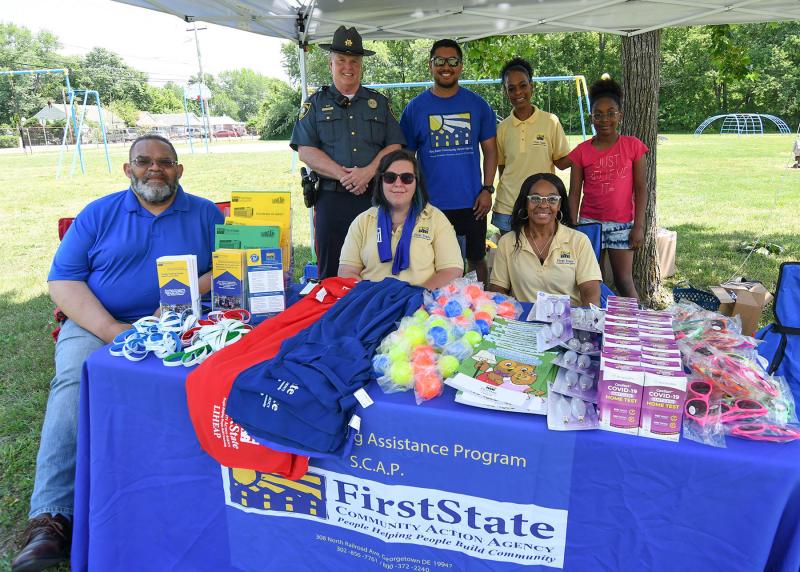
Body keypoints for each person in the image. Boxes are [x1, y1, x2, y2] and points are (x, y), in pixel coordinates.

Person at [12, 135, 222, 572]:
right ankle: (49, 518)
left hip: (182, 323)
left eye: (165, 162)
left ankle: (198, 501)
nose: (155, 169)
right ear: (128, 169)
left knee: (218, 378)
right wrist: (112, 330)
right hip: (98, 322)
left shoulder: (204, 213)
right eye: (144, 161)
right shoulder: (99, 213)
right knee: (74, 380)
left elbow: (231, 263)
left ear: (179, 171)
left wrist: (189, 293)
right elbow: (64, 281)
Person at [291, 26, 405, 279]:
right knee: (332, 271)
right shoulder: (315, 104)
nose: (347, 67)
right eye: (341, 60)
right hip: (331, 200)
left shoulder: (380, 103)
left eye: (354, 61)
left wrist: (367, 173)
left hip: (374, 197)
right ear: (331, 63)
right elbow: (306, 150)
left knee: (378, 267)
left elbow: (394, 145)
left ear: (361, 64)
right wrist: (345, 175)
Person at [400, 39, 497, 285]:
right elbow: (406, 158)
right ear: (430, 65)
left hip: (472, 202)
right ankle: (437, 310)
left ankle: (481, 306)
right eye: (439, 61)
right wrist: (411, 196)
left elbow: (491, 151)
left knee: (476, 258)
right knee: (433, 261)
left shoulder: (478, 105)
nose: (446, 66)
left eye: (452, 61)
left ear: (460, 66)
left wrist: (487, 189)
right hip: (430, 204)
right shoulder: (415, 109)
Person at [568, 75, 648, 300]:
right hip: (589, 225)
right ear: (591, 118)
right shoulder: (581, 151)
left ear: (620, 115)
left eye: (611, 113)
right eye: (598, 114)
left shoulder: (633, 147)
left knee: (624, 281)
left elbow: (641, 188)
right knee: (593, 282)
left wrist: (639, 226)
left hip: (622, 225)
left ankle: (636, 326)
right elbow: (574, 192)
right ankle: (598, 328)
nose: (605, 119)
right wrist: (574, 226)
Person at [338, 149, 463, 289]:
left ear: (417, 183)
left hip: (420, 303)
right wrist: (375, 298)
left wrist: (412, 297)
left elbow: (451, 271)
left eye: (407, 178)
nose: (398, 184)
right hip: (373, 304)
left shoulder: (435, 218)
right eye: (390, 177)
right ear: (381, 182)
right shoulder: (363, 221)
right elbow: (346, 272)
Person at [489, 173, 601, 306]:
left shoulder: (579, 241)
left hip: (568, 321)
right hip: (524, 321)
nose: (543, 205)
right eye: (535, 198)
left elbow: (590, 291)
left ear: (559, 205)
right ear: (525, 203)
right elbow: (498, 289)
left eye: (552, 199)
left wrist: (586, 321)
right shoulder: (507, 242)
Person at [494, 57, 571, 235]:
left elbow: (561, 161)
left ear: (531, 86)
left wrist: (589, 151)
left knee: (540, 259)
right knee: (512, 260)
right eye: (511, 89)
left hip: (541, 206)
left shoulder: (550, 121)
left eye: (523, 86)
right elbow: (502, 168)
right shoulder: (502, 128)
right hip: (508, 208)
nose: (518, 92)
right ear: (506, 92)